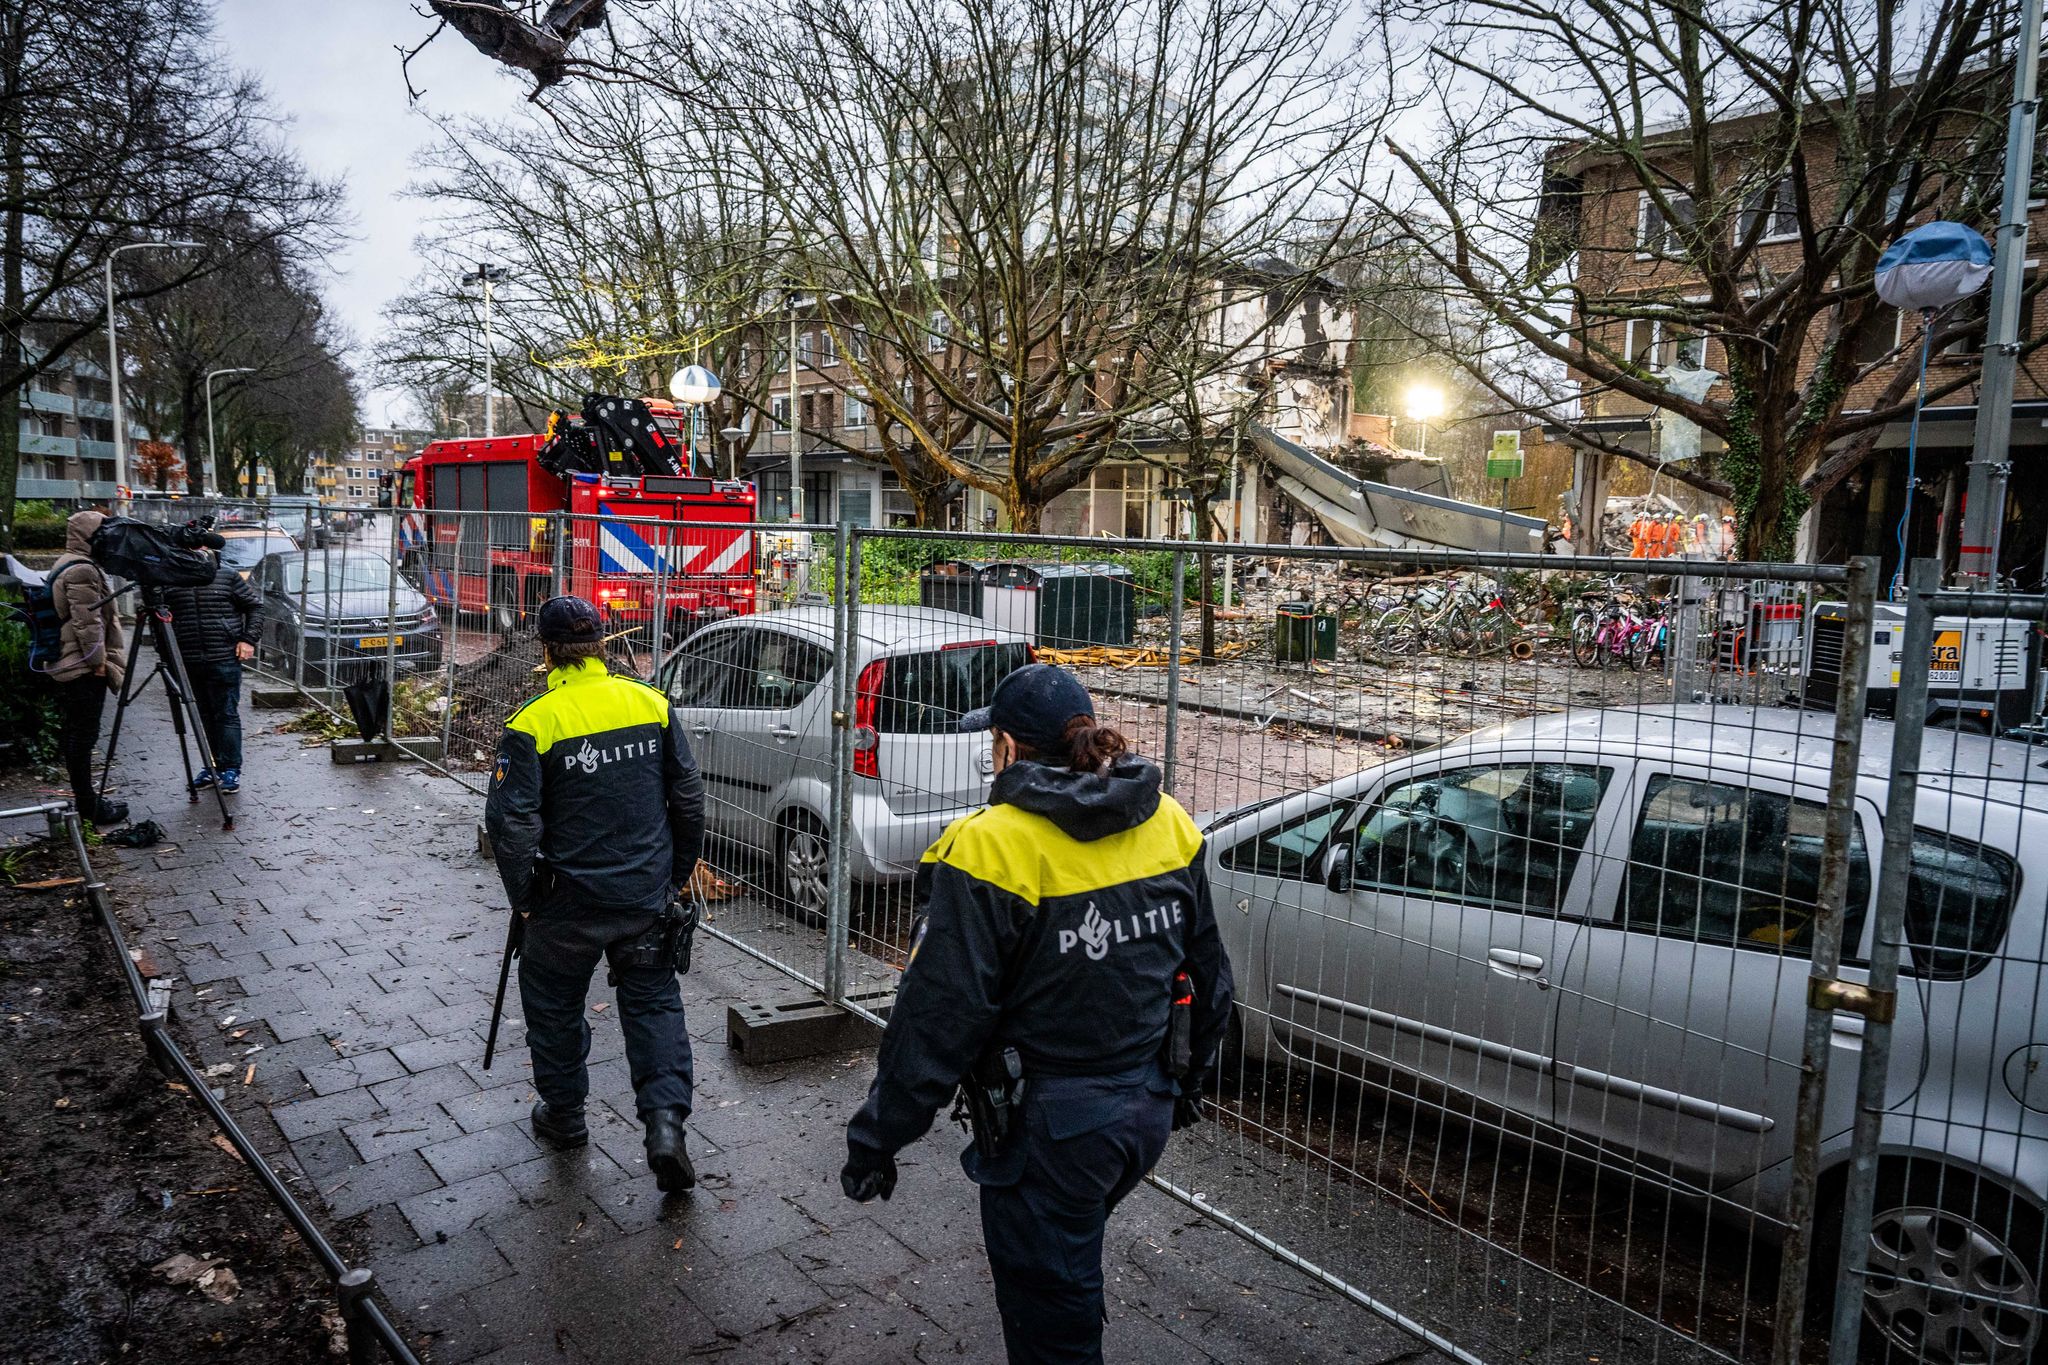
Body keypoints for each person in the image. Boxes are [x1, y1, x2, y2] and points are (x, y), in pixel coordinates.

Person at [840, 663, 1235, 1365]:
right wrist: (1185, 1085)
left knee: (1053, 1320)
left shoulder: (991, 846)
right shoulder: (1166, 819)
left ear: (1006, 747)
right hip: (1145, 1107)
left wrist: (878, 1138)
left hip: (1052, 1131)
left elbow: (936, 1020)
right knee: (1067, 1265)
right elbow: (1212, 979)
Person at [483, 595, 707, 1191]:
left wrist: (525, 897)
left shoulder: (534, 721)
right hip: (642, 896)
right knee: (654, 1003)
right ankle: (664, 1124)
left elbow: (512, 825)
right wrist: (674, 872)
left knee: (554, 1007)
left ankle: (565, 1116)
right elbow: (687, 798)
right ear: (604, 644)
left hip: (565, 905)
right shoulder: (650, 703)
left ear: (546, 650)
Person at [47, 510, 128, 827]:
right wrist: (99, 663)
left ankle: (88, 800)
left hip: (74, 661)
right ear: (89, 537)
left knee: (78, 735)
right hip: (82, 666)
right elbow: (87, 622)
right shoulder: (81, 569)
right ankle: (88, 805)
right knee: (83, 736)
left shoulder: (71, 562)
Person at [163, 547, 261, 794]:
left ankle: (230, 769)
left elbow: (255, 607)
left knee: (226, 713)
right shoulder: (170, 579)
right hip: (188, 659)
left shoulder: (226, 576)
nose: (196, 553)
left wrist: (248, 639)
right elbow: (159, 620)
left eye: (201, 548)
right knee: (203, 715)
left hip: (224, 657)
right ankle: (212, 766)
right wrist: (166, 656)